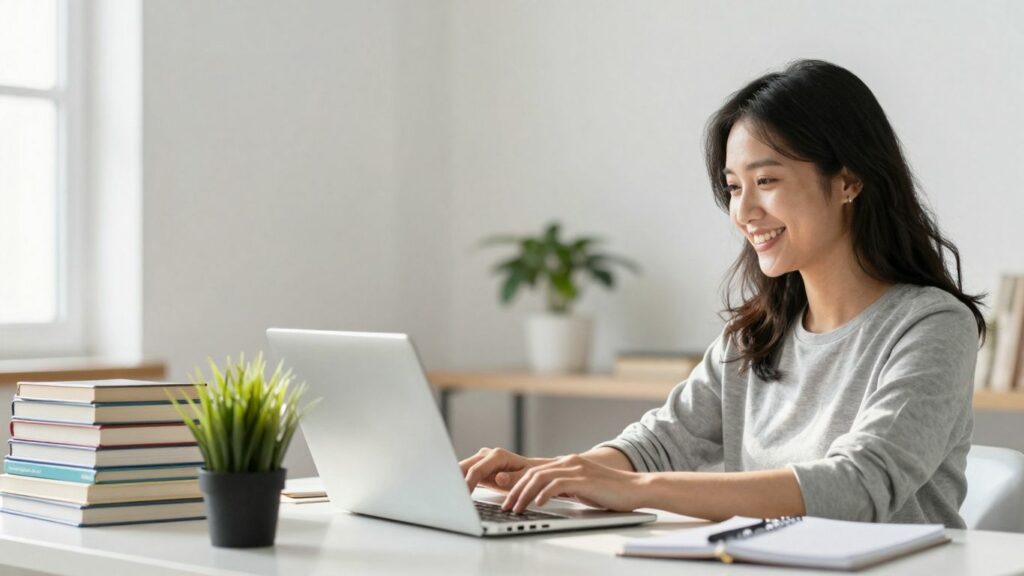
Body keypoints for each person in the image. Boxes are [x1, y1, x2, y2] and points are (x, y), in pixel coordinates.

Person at [460, 59, 985, 528]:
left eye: (768, 181)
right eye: (734, 187)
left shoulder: (932, 325)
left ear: (847, 181)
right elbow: (660, 445)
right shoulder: (757, 335)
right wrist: (551, 473)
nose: (745, 211)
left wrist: (634, 491)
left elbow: (859, 486)